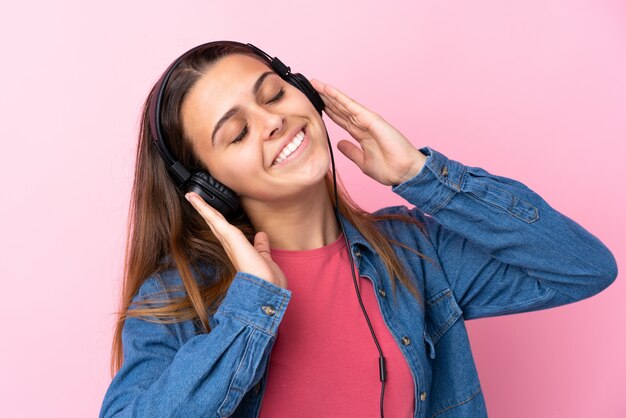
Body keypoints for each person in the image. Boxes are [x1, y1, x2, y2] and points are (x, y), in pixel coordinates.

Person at [99, 41, 618, 418]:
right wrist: (250, 306)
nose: (272, 121)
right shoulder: (176, 298)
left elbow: (582, 268)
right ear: (209, 186)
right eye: (236, 133)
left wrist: (420, 175)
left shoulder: (415, 253)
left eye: (275, 95)